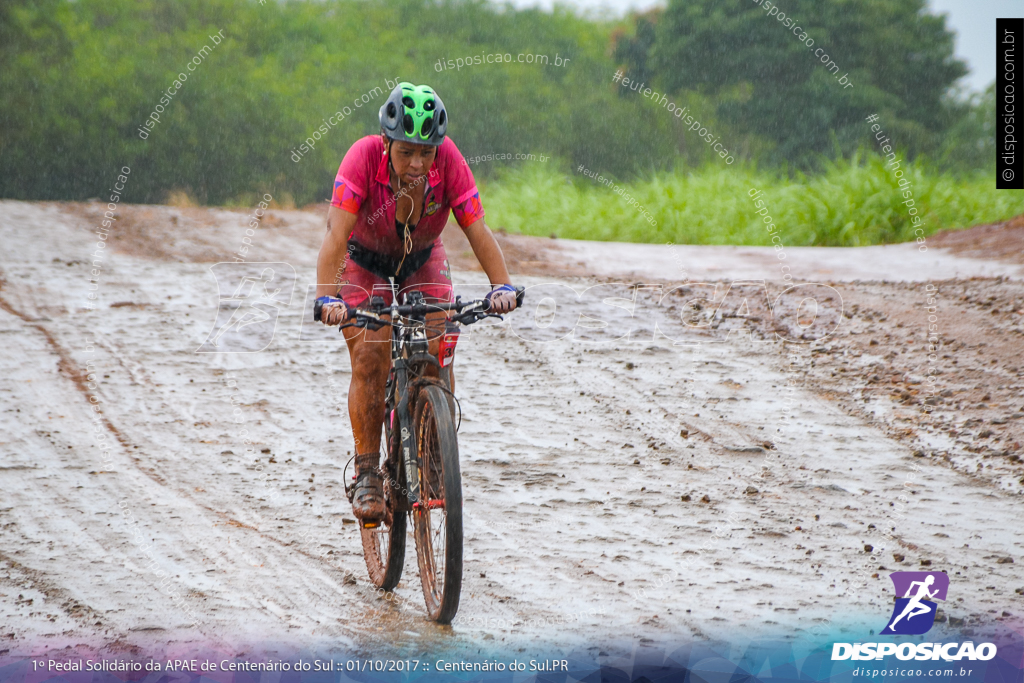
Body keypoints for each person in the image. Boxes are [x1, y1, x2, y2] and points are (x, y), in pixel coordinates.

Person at [314, 82, 518, 524]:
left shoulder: (450, 162)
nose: (417, 164)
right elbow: (335, 235)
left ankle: (433, 452)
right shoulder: (362, 158)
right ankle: (368, 472)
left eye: (426, 153)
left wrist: (501, 286)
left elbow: (477, 231)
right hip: (362, 261)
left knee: (440, 341)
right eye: (407, 152)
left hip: (422, 259)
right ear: (386, 143)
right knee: (371, 357)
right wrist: (326, 296)